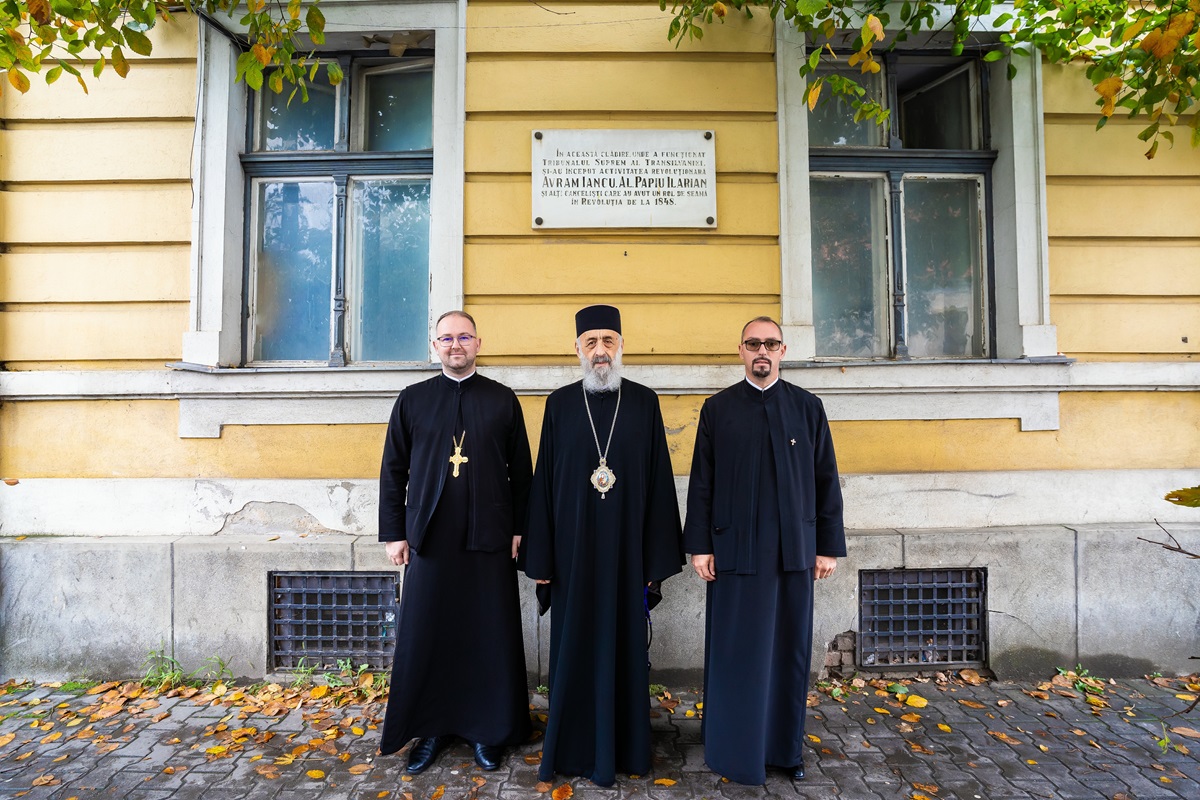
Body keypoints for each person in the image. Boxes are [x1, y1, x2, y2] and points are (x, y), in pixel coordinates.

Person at [522, 304, 684, 787]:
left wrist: (655, 561)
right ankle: (572, 749)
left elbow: (659, 482)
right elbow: (543, 485)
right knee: (573, 647)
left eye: (608, 341)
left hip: (626, 556)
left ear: (621, 346)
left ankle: (626, 748)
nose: (600, 351)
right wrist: (540, 558)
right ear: (577, 348)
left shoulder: (645, 403)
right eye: (590, 342)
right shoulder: (558, 404)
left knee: (624, 648)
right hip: (571, 556)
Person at [684, 316, 846, 785]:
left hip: (793, 554)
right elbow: (702, 482)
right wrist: (700, 546)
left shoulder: (808, 408)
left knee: (787, 654)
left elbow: (825, 479)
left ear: (782, 351)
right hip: (734, 554)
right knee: (736, 654)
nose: (762, 351)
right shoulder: (717, 409)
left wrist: (827, 547)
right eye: (753, 344)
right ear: (740, 350)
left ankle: (783, 750)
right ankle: (730, 749)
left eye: (770, 344)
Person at [377, 310, 533, 774]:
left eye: (464, 337)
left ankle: (489, 730)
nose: (455, 345)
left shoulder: (502, 400)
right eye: (446, 338)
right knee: (430, 634)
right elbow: (393, 471)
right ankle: (432, 729)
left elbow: (522, 472)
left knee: (488, 633)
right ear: (435, 346)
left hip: (490, 538)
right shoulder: (413, 400)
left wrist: (520, 528)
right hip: (430, 540)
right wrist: (394, 532)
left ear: (478, 344)